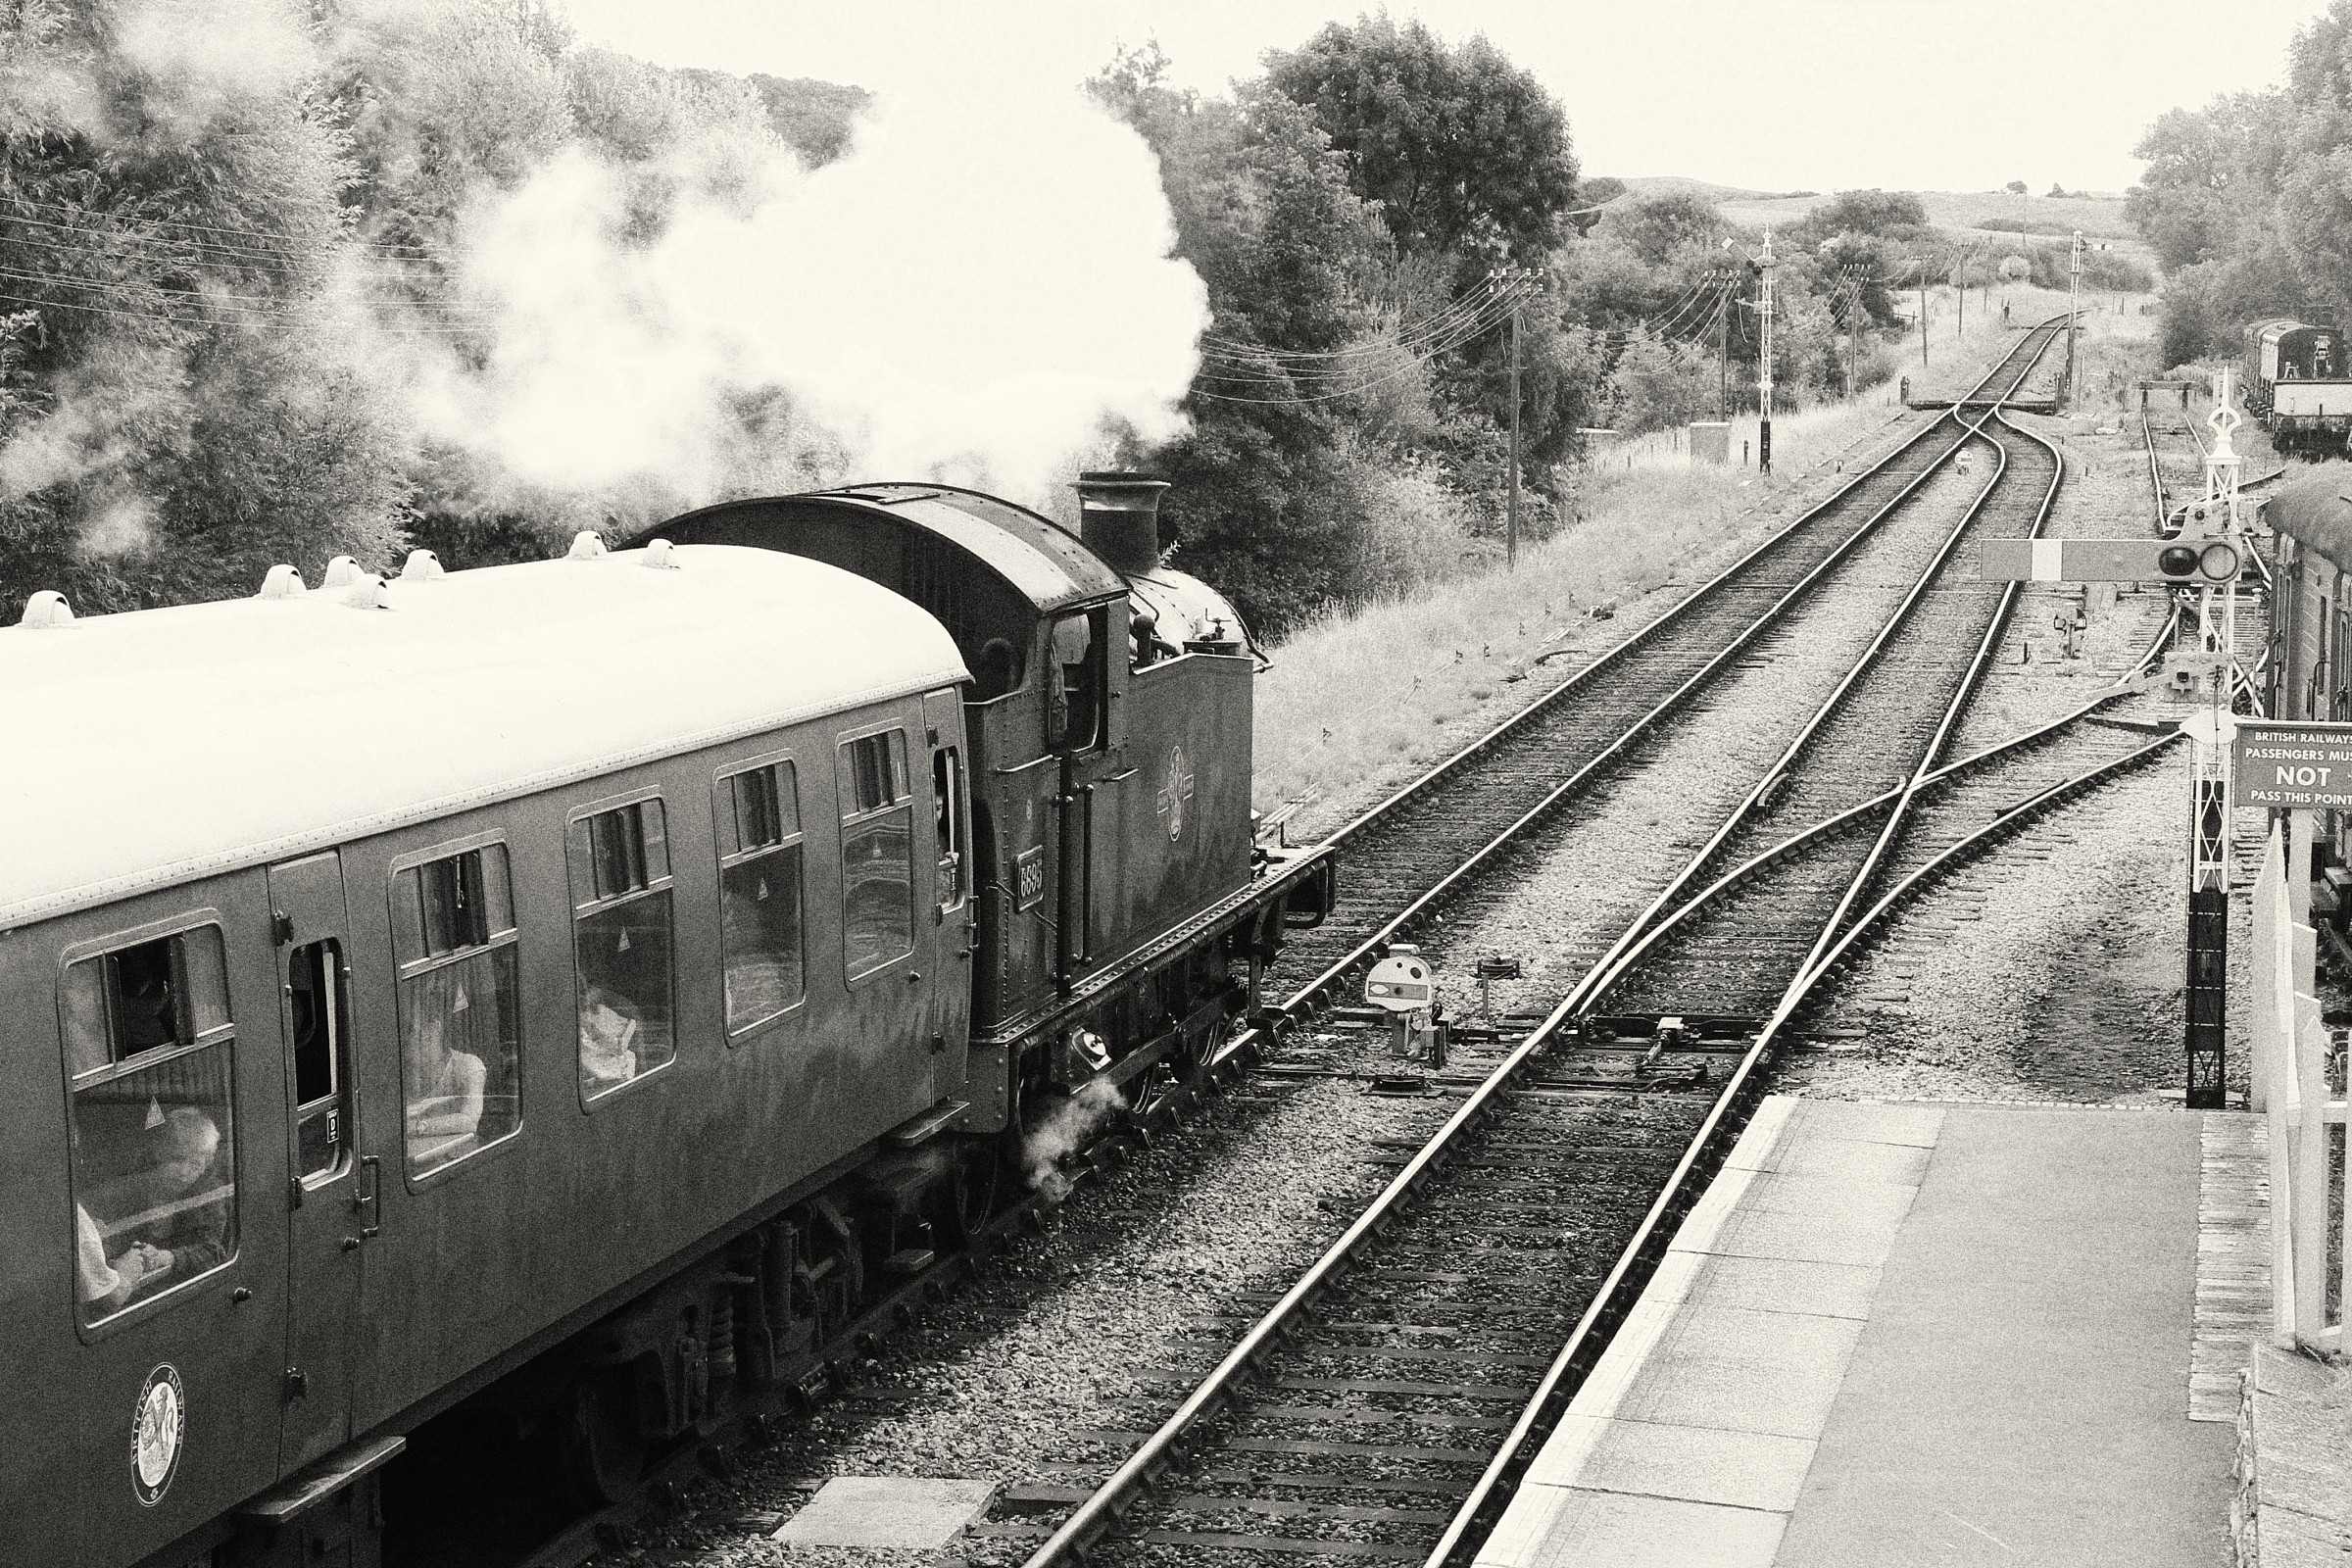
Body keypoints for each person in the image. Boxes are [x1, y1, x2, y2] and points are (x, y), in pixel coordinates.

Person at [77, 1107, 228, 1313]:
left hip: (180, 1294)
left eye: (194, 1164)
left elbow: (213, 1251)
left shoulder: (208, 1197)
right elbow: (88, 1218)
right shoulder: (130, 1188)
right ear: (160, 1153)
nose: (184, 1172)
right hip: (131, 1286)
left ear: (206, 1165)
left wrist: (170, 1257)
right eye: (177, 1159)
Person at [405, 1012, 487, 1143]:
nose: (418, 1044)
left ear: (439, 1031)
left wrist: (419, 1127)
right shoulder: (408, 1072)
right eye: (414, 1037)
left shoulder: (469, 1065)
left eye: (425, 1037)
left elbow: (469, 1120)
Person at [578, 982, 641, 1090]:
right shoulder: (579, 1018)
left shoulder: (602, 1012)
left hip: (614, 1072)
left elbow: (632, 1022)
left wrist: (623, 1040)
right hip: (595, 1071)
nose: (585, 999)